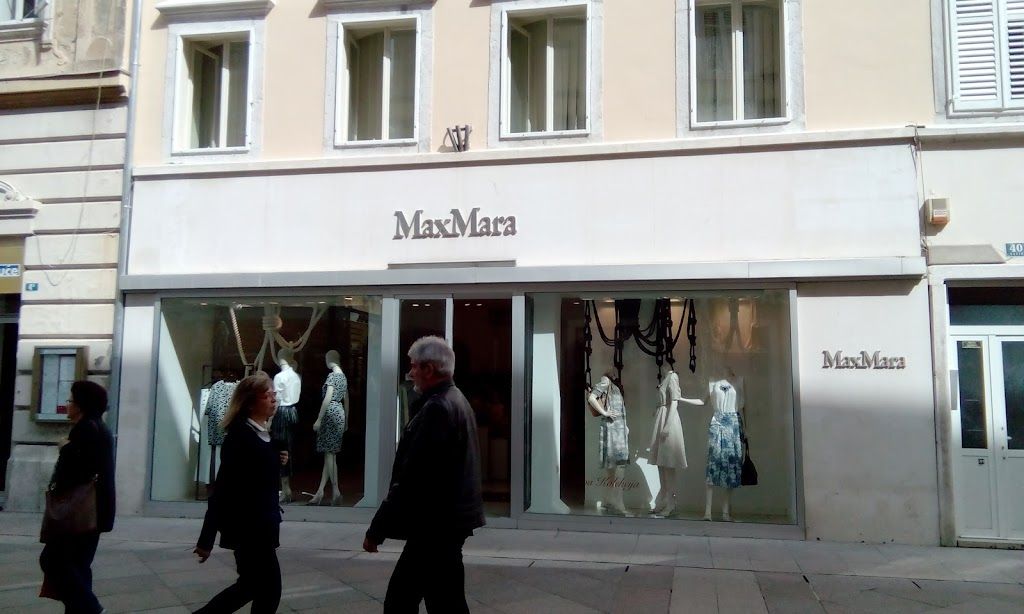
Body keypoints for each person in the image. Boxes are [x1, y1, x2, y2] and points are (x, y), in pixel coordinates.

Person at [363, 335, 485, 614]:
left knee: (401, 601)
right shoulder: (456, 400)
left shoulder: (437, 408)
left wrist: (377, 529)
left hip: (435, 525)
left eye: (414, 366)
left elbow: (413, 476)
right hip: (446, 523)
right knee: (444, 601)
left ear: (429, 369)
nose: (411, 373)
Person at [193, 372, 288, 614]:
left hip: (263, 525)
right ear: (250, 402)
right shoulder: (240, 437)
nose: (274, 399)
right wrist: (206, 539)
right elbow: (223, 489)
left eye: (274, 394)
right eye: (267, 395)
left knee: (252, 587)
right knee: (266, 589)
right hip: (249, 527)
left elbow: (261, 475)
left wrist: (278, 459)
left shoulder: (265, 435)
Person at [39, 380, 115, 614]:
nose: (67, 404)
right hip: (94, 510)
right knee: (78, 566)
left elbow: (80, 469)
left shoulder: (86, 429)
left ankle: (91, 609)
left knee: (53, 560)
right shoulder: (98, 427)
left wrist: (66, 448)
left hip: (80, 510)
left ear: (81, 405)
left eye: (71, 400)